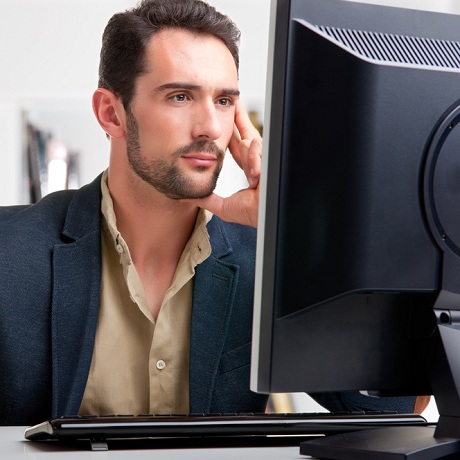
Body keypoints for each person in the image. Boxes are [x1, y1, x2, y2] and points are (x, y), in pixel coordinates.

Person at [0, 0, 419, 426]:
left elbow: (393, 411)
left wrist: (296, 227)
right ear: (112, 113)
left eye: (223, 101)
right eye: (180, 96)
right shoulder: (10, 251)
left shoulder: (268, 257)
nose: (211, 128)